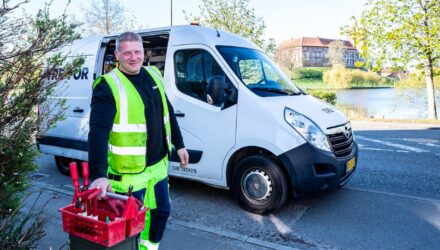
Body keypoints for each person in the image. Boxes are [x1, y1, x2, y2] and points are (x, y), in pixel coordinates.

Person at [88, 31, 189, 250]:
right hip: (129, 176)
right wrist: (98, 175)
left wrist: (179, 144)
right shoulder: (107, 86)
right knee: (127, 229)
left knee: (161, 213)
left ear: (144, 52)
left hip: (158, 168)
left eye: (137, 51)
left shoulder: (153, 74)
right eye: (127, 53)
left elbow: (167, 111)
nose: (133, 57)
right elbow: (97, 132)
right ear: (117, 54)